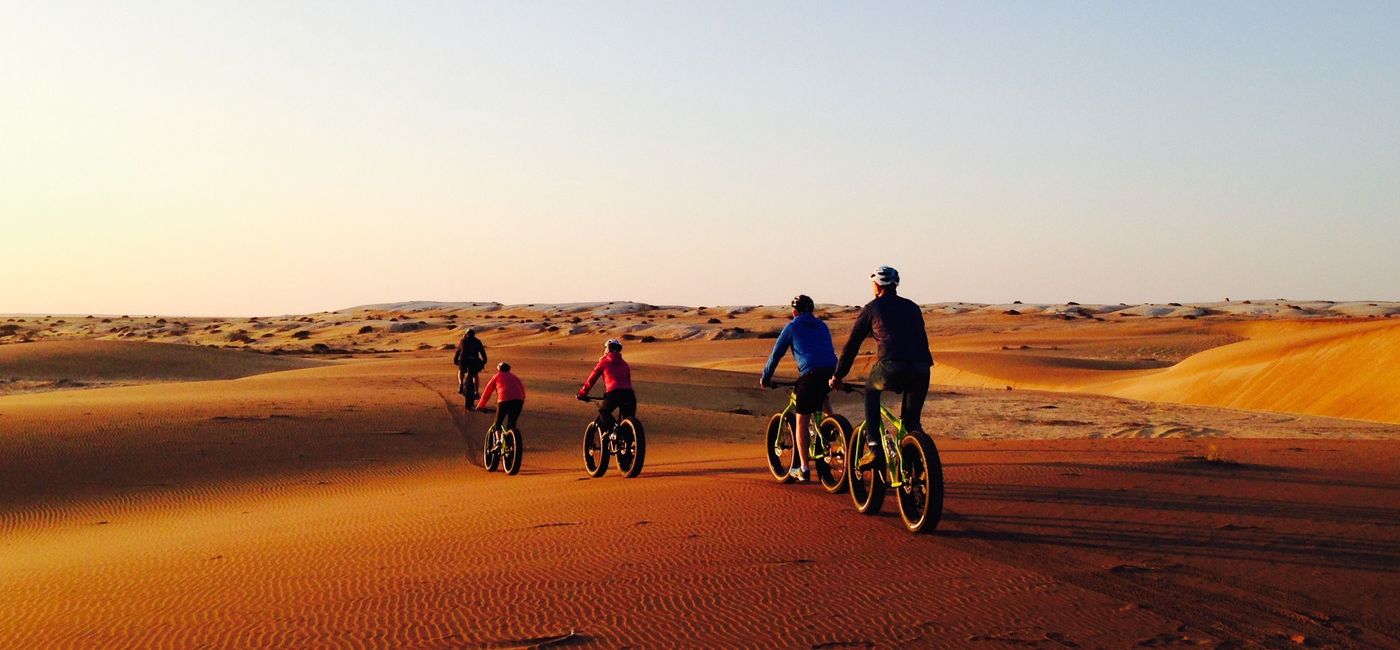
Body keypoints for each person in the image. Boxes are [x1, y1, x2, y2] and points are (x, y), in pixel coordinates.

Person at [831, 266, 933, 468]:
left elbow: (852, 346)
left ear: (877, 285)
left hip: (890, 366)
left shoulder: (872, 308)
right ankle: (917, 467)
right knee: (911, 422)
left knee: (870, 391)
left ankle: (874, 447)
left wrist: (838, 375)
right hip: (922, 367)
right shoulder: (912, 307)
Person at [759, 294, 838, 482]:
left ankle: (803, 468)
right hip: (830, 371)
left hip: (810, 374)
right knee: (823, 397)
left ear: (794, 311)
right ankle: (833, 429)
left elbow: (776, 354)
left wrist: (766, 377)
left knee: (801, 421)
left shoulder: (792, 327)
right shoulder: (822, 325)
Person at [576, 338, 635, 431]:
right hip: (629, 394)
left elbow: (591, 379)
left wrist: (582, 393)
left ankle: (614, 430)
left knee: (603, 412)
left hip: (613, 393)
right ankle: (629, 439)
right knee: (629, 419)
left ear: (607, 349)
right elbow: (628, 381)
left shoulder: (603, 362)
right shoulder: (625, 364)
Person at [477, 361, 526, 432]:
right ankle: (512, 439)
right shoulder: (515, 377)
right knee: (511, 424)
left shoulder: (496, 377)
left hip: (504, 399)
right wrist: (521, 402)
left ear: (499, 369)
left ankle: (498, 441)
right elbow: (522, 390)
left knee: (498, 424)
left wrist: (480, 405)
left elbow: (487, 392)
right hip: (518, 401)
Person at [453, 328, 488, 407]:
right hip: (474, 361)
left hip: (463, 360)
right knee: (475, 375)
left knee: (461, 371)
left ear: (466, 334)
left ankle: (461, 384)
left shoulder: (463, 341)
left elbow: (458, 351)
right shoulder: (477, 341)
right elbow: (482, 352)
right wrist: (484, 361)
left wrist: (455, 360)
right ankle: (476, 391)